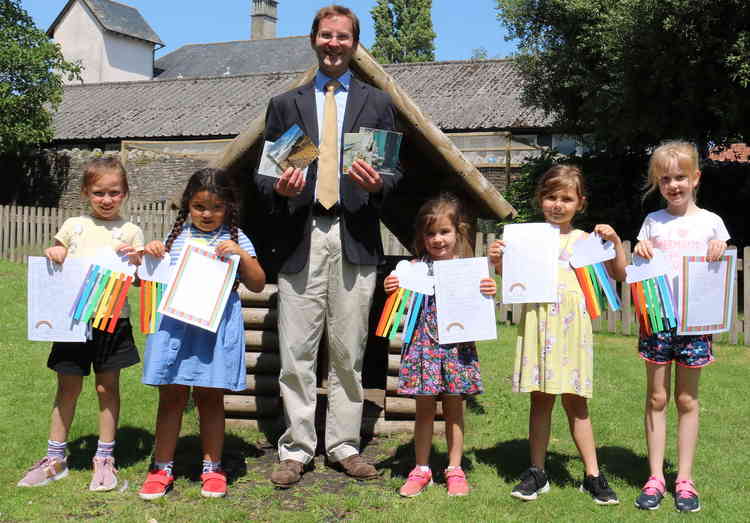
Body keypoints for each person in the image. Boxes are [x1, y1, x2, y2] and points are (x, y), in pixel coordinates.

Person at [255, 4, 402, 487]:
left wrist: (378, 182)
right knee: (297, 349)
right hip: (302, 235)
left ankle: (343, 445)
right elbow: (265, 176)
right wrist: (278, 187)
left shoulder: (378, 103)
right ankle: (296, 448)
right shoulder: (286, 105)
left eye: (343, 36)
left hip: (354, 234)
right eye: (326, 35)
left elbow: (394, 173)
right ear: (313, 40)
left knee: (349, 348)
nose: (334, 44)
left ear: (355, 44)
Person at [490, 165, 626, 505]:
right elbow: (511, 280)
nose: (557, 204)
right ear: (540, 200)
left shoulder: (585, 241)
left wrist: (614, 243)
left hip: (571, 330)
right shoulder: (526, 238)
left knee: (576, 402)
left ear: (580, 202)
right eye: (551, 197)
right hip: (538, 325)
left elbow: (619, 274)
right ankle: (537, 472)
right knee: (540, 399)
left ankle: (592, 475)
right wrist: (497, 261)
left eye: (566, 198)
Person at [138, 168, 266, 500]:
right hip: (175, 330)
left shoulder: (238, 239)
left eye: (216, 207)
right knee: (171, 399)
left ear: (229, 208)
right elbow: (148, 277)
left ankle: (212, 468)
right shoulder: (174, 238)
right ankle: (161, 467)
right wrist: (151, 251)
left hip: (214, 331)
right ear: (187, 206)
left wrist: (240, 255)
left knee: (210, 399)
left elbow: (257, 283)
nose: (207, 214)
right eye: (199, 207)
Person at [18, 158, 143, 491]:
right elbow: (56, 252)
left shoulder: (130, 231)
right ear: (87, 192)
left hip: (112, 321)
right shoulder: (73, 225)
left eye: (114, 192)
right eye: (99, 192)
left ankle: (104, 458)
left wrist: (137, 263)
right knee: (67, 387)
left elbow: (139, 280)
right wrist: (54, 252)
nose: (106, 199)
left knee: (107, 388)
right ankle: (55, 458)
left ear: (125, 193)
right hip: (70, 321)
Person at [632, 141, 728, 512]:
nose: (674, 185)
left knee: (687, 400)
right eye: (666, 179)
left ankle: (684, 479)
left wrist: (720, 246)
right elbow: (642, 258)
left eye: (681, 177)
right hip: (657, 319)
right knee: (656, 398)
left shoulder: (712, 222)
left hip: (695, 322)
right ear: (658, 183)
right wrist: (641, 249)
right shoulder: (653, 222)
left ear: (696, 178)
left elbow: (721, 256)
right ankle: (655, 477)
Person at [384, 194, 495, 498]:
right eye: (430, 233)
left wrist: (488, 288)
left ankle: (455, 468)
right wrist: (391, 287)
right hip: (423, 347)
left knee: (455, 409)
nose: (437, 239)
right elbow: (397, 297)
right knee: (423, 410)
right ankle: (421, 469)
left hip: (456, 350)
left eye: (443, 232)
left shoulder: (469, 268)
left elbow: (482, 304)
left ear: (458, 232)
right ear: (422, 236)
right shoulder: (413, 268)